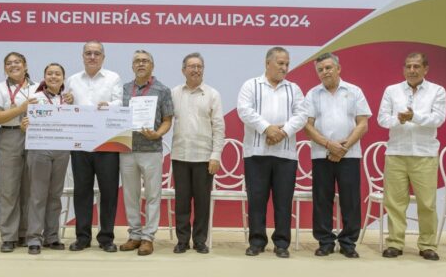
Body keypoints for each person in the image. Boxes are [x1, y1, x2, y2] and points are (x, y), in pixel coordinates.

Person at [237, 47, 307, 258]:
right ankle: (257, 241)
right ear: (268, 63)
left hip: (285, 154)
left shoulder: (293, 89)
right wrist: (267, 128)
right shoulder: (251, 85)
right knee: (256, 200)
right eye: (280, 63)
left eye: (287, 63)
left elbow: (302, 115)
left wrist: (282, 132)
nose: (284, 68)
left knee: (283, 201)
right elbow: (244, 110)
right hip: (256, 152)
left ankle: (282, 243)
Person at [378, 52, 446, 261]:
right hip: (397, 153)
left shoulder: (437, 91)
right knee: (395, 202)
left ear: (426, 69)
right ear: (403, 69)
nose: (412, 70)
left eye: (417, 66)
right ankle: (395, 243)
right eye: (408, 66)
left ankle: (427, 245)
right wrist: (399, 119)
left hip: (424, 154)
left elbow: (439, 119)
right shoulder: (392, 90)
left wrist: (414, 117)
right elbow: (382, 119)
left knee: (427, 203)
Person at [303, 53, 371, 258]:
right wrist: (328, 145)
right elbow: (307, 126)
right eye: (320, 70)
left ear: (338, 69)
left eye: (328, 68)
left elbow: (363, 123)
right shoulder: (312, 94)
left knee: (351, 200)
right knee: (322, 199)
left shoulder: (354, 91)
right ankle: (325, 242)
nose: (325, 72)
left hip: (349, 155)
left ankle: (348, 243)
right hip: (321, 154)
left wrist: (343, 148)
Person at [65, 41, 123, 253]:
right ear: (82, 56)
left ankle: (106, 237)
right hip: (80, 144)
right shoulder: (72, 80)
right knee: (82, 191)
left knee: (108, 192)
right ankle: (82, 237)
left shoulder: (113, 78)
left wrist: (109, 106)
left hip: (107, 143)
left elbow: (121, 103)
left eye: (96, 53)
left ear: (103, 57)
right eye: (88, 53)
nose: (92, 57)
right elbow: (66, 108)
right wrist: (67, 100)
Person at [119, 50, 173, 256]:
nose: (140, 64)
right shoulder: (123, 89)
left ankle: (148, 237)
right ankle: (134, 235)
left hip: (151, 149)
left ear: (152, 65)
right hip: (127, 149)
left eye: (145, 61)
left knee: (152, 195)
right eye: (137, 61)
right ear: (132, 66)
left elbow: (168, 119)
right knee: (130, 195)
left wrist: (157, 134)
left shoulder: (162, 90)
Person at [170, 53, 224, 254]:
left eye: (199, 66)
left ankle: (200, 240)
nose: (195, 69)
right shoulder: (174, 93)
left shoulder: (212, 94)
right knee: (182, 201)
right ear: (183, 70)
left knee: (202, 202)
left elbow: (218, 127)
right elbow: (166, 120)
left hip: (204, 158)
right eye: (191, 66)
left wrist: (215, 155)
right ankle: (182, 240)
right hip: (180, 155)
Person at [21, 63, 74, 255]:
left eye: (57, 74)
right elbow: (24, 122)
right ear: (44, 76)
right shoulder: (34, 97)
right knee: (37, 195)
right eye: (50, 73)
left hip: (62, 150)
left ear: (63, 78)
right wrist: (24, 124)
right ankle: (34, 237)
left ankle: (52, 236)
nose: (53, 77)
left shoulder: (68, 99)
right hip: (39, 150)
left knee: (55, 195)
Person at [0, 51, 36, 252]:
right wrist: (20, 109)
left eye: (17, 62)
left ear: (25, 65)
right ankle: (8, 236)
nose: (13, 65)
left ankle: (25, 233)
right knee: (9, 190)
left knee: (30, 188)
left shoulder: (38, 88)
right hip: (9, 137)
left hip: (35, 138)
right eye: (8, 63)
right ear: (4, 67)